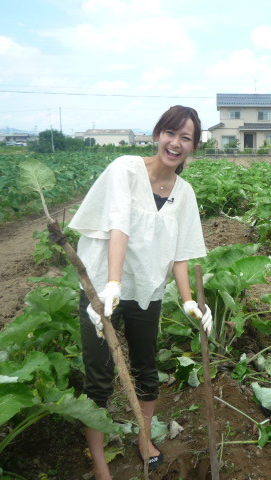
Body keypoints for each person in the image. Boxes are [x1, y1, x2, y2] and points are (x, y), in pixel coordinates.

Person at [69, 105, 212, 480]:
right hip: (104, 286)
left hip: (147, 291)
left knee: (147, 369)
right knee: (99, 377)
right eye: (171, 133)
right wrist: (112, 285)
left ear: (194, 147)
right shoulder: (126, 169)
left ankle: (145, 438)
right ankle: (100, 463)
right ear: (157, 134)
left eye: (186, 137)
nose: (176, 143)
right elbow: (119, 225)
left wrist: (188, 301)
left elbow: (181, 254)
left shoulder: (185, 193)